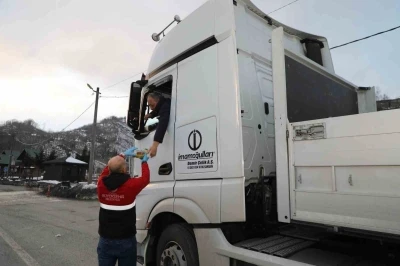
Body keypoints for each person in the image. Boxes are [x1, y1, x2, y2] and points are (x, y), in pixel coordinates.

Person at [96, 147, 149, 266]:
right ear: (124, 169)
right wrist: (144, 161)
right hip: (126, 240)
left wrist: (122, 155)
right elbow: (145, 179)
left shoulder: (101, 184)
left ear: (109, 169)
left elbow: (104, 173)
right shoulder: (131, 185)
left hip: (105, 240)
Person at [144, 92, 171, 158]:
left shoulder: (165, 106)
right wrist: (151, 114)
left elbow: (162, 124)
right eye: (149, 106)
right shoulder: (165, 102)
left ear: (158, 100)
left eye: (152, 105)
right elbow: (158, 109)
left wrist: (155, 145)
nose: (151, 108)